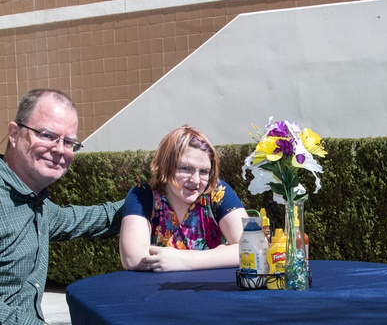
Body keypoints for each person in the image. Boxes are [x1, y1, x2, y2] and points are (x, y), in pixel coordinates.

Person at [0, 88, 124, 325]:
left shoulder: (37, 206)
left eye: (69, 142)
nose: (59, 149)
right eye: (47, 135)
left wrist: (154, 196)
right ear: (14, 133)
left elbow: (95, 218)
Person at [119, 125, 248, 272]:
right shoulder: (142, 196)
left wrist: (184, 261)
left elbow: (253, 247)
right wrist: (220, 254)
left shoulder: (217, 192)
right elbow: (132, 257)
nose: (196, 180)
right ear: (165, 166)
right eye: (186, 168)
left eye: (204, 171)